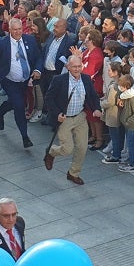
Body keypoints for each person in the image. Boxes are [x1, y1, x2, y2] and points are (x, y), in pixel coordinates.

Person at [0, 17, 41, 149]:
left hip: (26, 80)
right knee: (19, 106)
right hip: (10, 81)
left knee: (15, 102)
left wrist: (37, 70)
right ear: (9, 30)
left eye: (20, 29)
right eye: (14, 30)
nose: (18, 32)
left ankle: (0, 112)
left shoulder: (30, 40)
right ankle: (25, 137)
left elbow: (38, 57)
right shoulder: (1, 43)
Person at [42, 53, 98, 185]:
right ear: (68, 67)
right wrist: (57, 114)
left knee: (82, 148)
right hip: (65, 119)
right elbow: (49, 98)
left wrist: (97, 109)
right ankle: (51, 152)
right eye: (74, 66)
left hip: (80, 117)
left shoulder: (86, 79)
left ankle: (73, 173)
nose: (77, 69)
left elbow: (93, 96)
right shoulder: (59, 80)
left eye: (79, 66)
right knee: (67, 149)